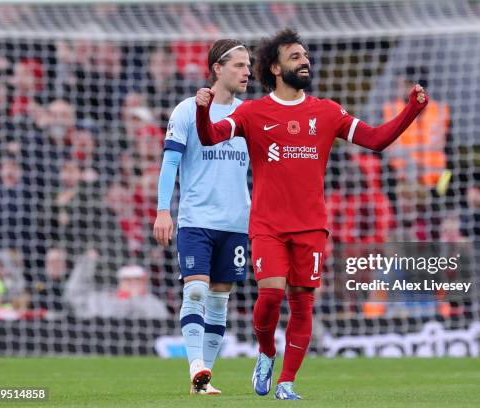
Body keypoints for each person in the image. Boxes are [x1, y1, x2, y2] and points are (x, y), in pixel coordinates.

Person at [195, 28, 428, 400]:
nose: (304, 61)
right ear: (274, 67)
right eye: (294, 57)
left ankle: (286, 383)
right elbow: (209, 137)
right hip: (268, 226)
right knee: (270, 297)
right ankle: (267, 353)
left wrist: (413, 109)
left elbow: (377, 139)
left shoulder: (327, 111)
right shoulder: (252, 113)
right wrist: (203, 109)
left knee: (302, 303)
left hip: (311, 227)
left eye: (305, 56)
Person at [152, 39, 251, 395]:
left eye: (248, 65)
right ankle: (195, 366)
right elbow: (171, 162)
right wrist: (163, 210)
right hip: (195, 220)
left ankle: (204, 379)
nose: (247, 72)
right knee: (195, 291)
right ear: (217, 68)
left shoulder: (248, 115)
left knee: (220, 299)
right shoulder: (186, 111)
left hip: (236, 222)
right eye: (239, 65)